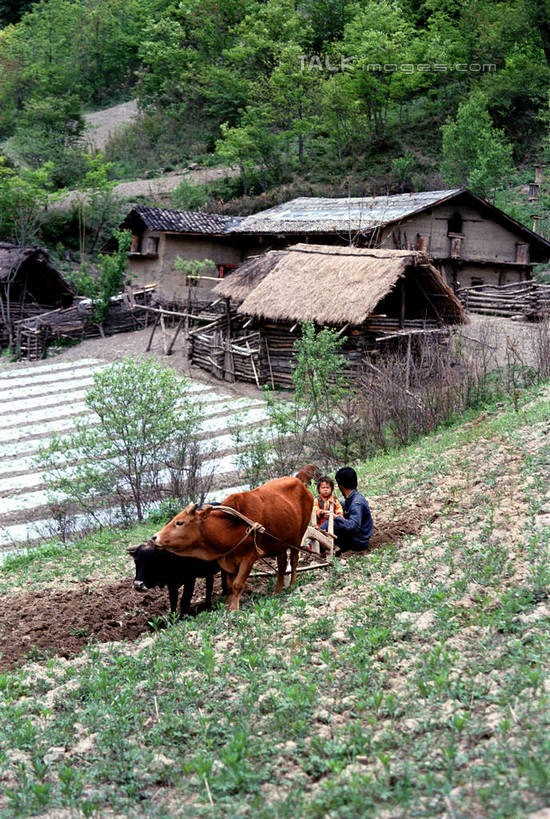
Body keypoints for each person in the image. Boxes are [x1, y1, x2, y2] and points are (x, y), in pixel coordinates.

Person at [332, 466, 373, 552]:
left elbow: (353, 526)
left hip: (359, 541)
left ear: (341, 486)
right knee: (339, 504)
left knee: (332, 523)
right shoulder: (352, 498)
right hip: (357, 537)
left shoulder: (356, 503)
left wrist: (337, 517)